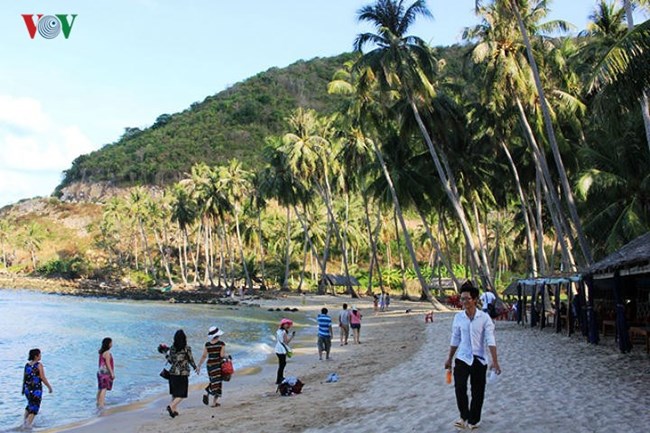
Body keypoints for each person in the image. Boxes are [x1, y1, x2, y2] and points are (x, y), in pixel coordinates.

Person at [445, 282, 501, 430]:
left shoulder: (484, 318)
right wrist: (449, 358)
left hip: (479, 359)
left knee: (478, 391)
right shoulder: (458, 318)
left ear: (475, 299)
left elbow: (490, 339)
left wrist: (495, 361)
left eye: (467, 299)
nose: (463, 302)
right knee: (460, 387)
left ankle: (474, 420)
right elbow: (455, 339)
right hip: (462, 358)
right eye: (462, 299)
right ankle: (464, 416)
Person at [164, 329, 198, 418]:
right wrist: (195, 367)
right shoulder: (187, 348)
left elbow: (170, 360)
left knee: (175, 393)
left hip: (172, 374)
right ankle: (171, 406)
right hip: (182, 373)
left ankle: (174, 410)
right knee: (182, 394)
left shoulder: (172, 348)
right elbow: (191, 359)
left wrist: (165, 355)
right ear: (184, 338)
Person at [22, 348, 53, 430]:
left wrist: (23, 389)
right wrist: (49, 387)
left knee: (30, 405)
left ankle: (24, 423)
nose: (40, 356)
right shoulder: (39, 365)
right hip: (36, 389)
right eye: (40, 354)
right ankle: (27, 426)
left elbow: (24, 378)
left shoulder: (27, 365)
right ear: (36, 356)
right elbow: (42, 377)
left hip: (27, 389)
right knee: (35, 408)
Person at [197, 326, 226, 408]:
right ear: (218, 335)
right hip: (217, 365)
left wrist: (199, 365)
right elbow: (222, 355)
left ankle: (209, 395)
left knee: (213, 381)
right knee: (217, 383)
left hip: (209, 365)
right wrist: (227, 357)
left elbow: (204, 356)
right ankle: (213, 401)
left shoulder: (207, 344)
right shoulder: (221, 344)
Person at [274, 318, 295, 385]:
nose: (288, 326)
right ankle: (279, 379)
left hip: (277, 348)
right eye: (287, 324)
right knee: (282, 364)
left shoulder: (278, 331)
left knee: (281, 364)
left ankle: (279, 378)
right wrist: (292, 336)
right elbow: (286, 342)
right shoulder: (283, 332)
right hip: (281, 350)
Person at [96, 337, 115, 409]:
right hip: (105, 373)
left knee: (100, 388)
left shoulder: (101, 352)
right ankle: (101, 404)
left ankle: (98, 402)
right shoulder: (107, 353)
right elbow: (108, 364)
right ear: (108, 344)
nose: (112, 344)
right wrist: (112, 373)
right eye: (111, 343)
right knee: (104, 388)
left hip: (100, 372)